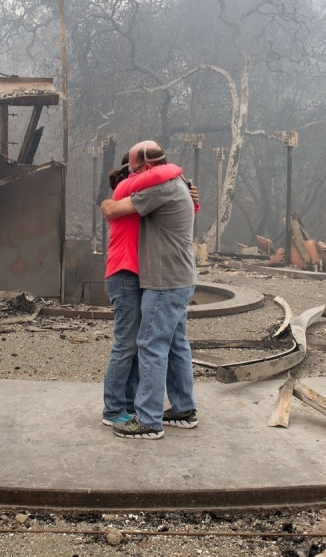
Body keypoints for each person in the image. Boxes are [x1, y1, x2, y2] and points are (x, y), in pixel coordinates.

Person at [101, 140, 198, 439]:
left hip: (163, 278)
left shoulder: (161, 186)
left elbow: (113, 208)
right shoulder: (170, 182)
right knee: (167, 343)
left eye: (135, 167)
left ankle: (148, 419)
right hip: (147, 274)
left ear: (144, 168)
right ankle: (179, 409)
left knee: (150, 345)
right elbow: (113, 207)